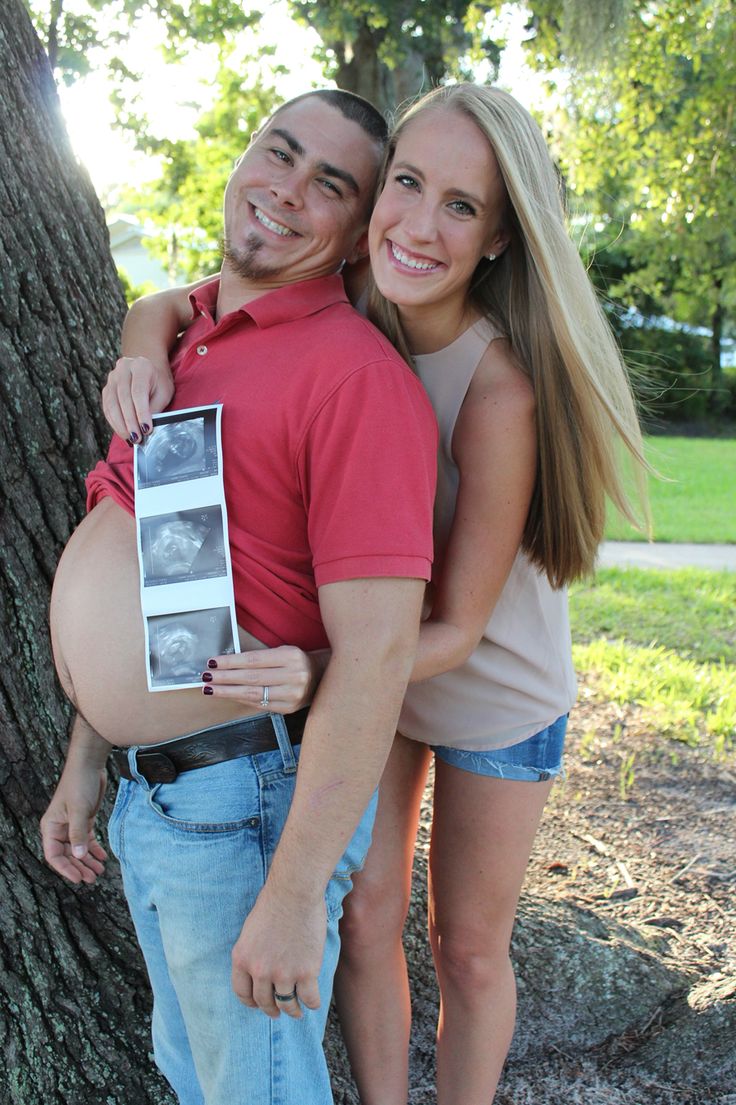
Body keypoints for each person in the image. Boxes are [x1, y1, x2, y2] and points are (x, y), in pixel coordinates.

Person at [101, 83, 649, 1104]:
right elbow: (177, 303)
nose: (418, 223)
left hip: (483, 683)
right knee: (364, 915)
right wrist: (141, 348)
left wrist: (321, 667)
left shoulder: (499, 390)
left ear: (496, 238)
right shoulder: (351, 301)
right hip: (374, 677)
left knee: (466, 944)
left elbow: (458, 626)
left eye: (460, 206)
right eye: (406, 184)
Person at [40, 89, 438, 1105]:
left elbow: (378, 656)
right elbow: (174, 575)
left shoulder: (354, 380)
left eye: (330, 184)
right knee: (202, 1075)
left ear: (356, 231)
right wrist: (93, 752)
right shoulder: (200, 334)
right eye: (280, 153)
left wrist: (298, 893)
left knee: (255, 1089)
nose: (287, 191)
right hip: (158, 795)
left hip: (245, 809)